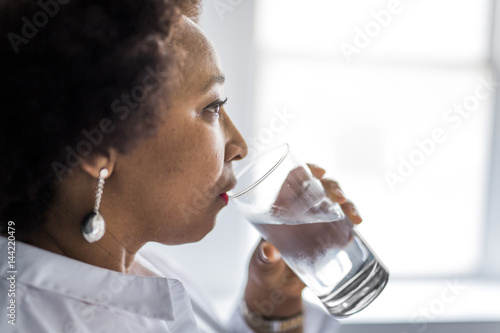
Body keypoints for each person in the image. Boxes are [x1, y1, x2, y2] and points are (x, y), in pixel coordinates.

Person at [0, 0, 363, 332]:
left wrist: (270, 306)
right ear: (97, 148)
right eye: (212, 107)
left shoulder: (145, 271)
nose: (239, 145)